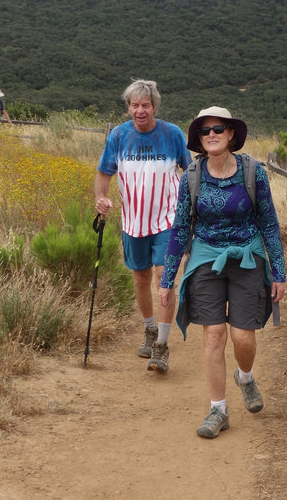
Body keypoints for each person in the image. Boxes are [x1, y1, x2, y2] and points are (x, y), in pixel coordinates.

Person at [158, 106, 286, 438]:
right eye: (204, 131)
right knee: (214, 335)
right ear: (198, 139)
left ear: (231, 134)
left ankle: (245, 376)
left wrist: (279, 272)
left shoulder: (253, 172)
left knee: (243, 337)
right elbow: (180, 228)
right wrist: (167, 279)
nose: (211, 135)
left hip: (247, 258)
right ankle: (218, 409)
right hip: (205, 260)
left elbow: (269, 223)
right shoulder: (192, 175)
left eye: (218, 129)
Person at [94, 80, 192, 373]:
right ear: (128, 107)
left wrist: (191, 209)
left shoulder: (172, 134)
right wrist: (101, 198)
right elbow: (104, 173)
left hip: (167, 219)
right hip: (133, 222)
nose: (140, 111)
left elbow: (191, 172)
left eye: (145, 106)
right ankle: (149, 330)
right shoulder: (118, 136)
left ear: (154, 107)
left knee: (164, 277)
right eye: (134, 105)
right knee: (140, 278)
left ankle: (161, 346)